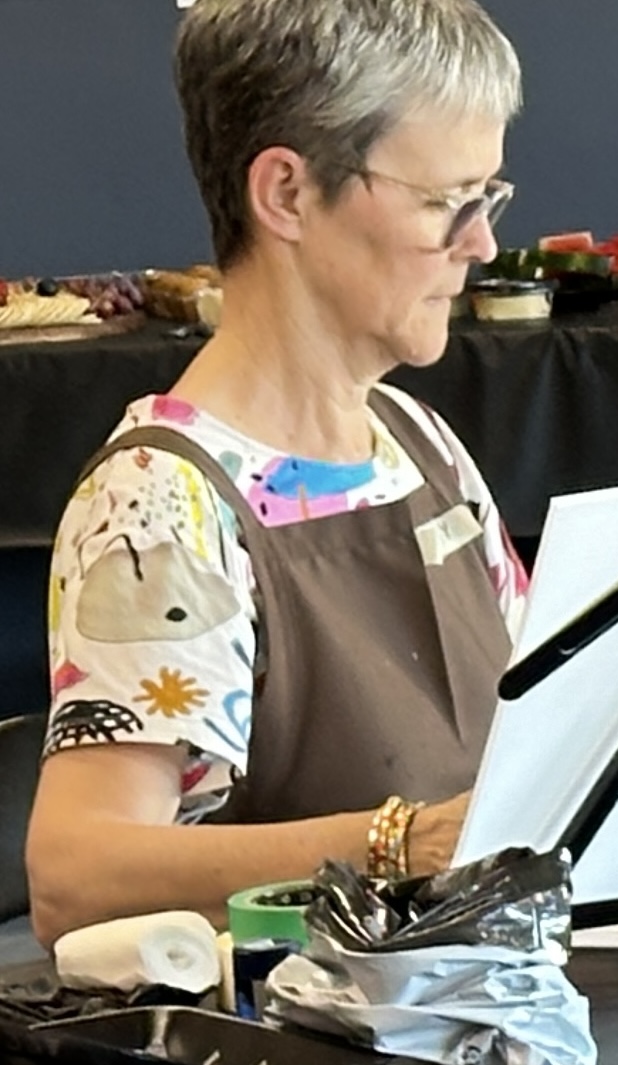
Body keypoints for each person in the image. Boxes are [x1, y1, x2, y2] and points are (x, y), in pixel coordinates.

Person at [25, 0, 527, 948]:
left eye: (486, 198)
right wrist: (400, 844)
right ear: (287, 194)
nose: (481, 244)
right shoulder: (162, 503)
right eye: (444, 202)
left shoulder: (418, 446)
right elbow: (78, 877)